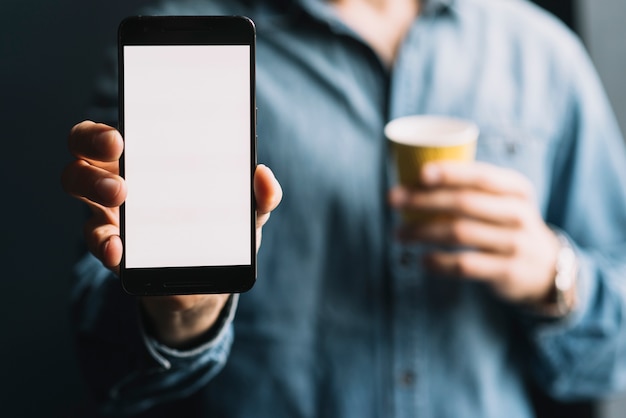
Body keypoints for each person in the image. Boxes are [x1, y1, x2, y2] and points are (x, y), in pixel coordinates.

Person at [62, 0, 626, 417]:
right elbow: (108, 370)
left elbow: (614, 354)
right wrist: (181, 315)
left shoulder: (542, 55)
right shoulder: (176, 52)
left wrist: (555, 276)